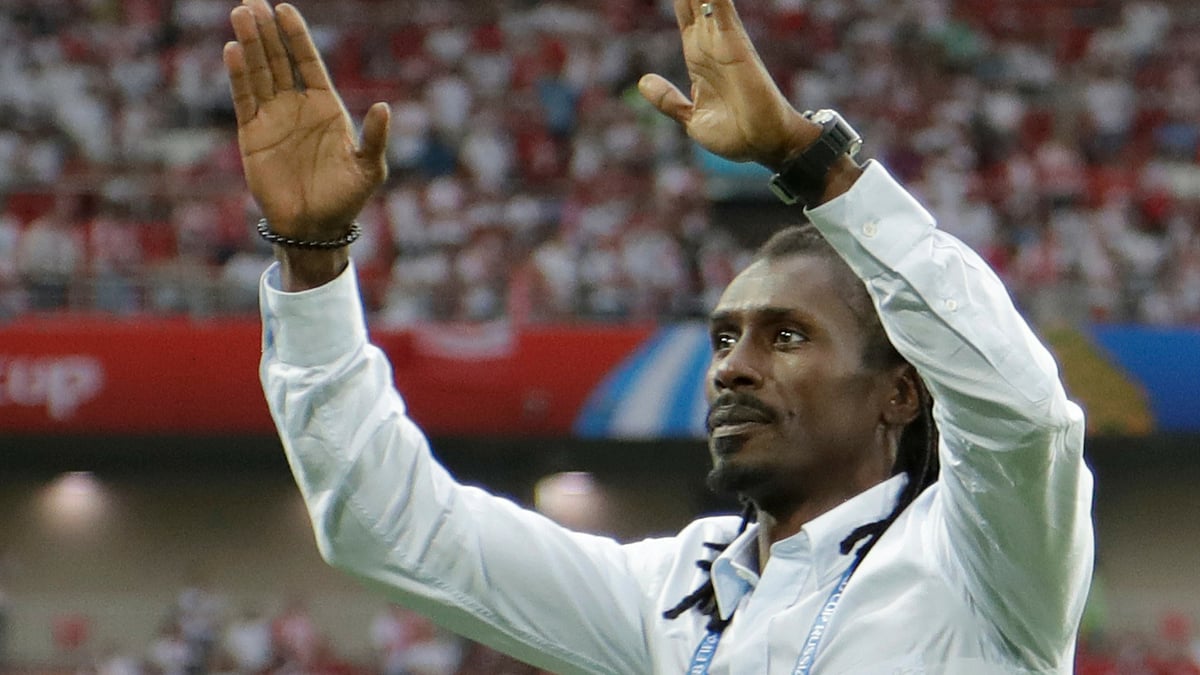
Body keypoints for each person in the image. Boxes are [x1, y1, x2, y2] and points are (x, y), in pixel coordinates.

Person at [225, 0, 1095, 673]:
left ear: (900, 391)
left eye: (786, 336)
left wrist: (810, 159)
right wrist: (313, 262)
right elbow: (393, 527)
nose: (734, 369)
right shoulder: (676, 591)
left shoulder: (982, 557)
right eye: (723, 340)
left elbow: (1023, 417)